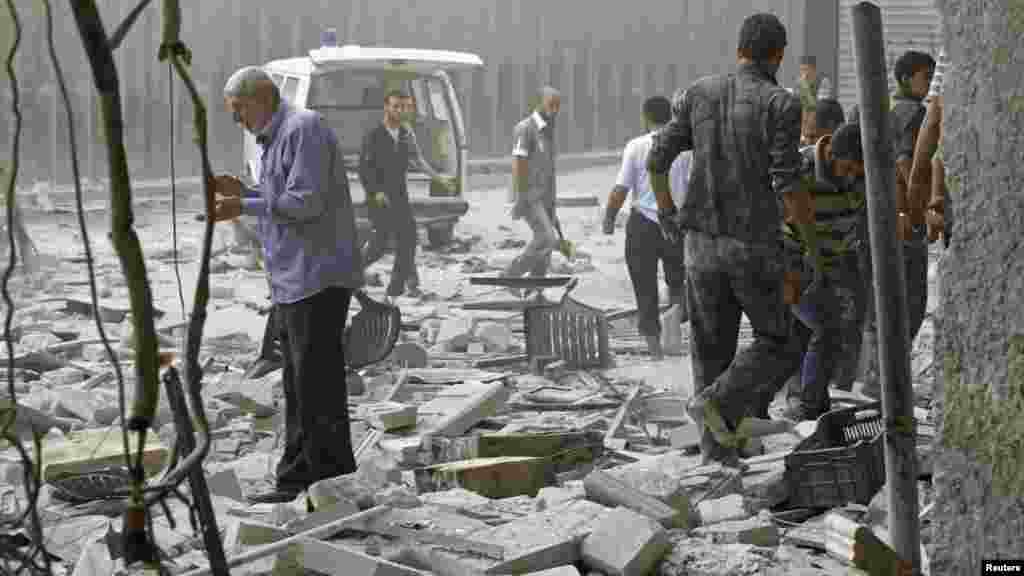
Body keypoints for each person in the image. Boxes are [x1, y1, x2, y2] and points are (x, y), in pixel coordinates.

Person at [648, 13, 811, 465]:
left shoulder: (697, 94)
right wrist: (806, 247)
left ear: (740, 48)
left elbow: (657, 160)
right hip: (752, 243)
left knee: (710, 346)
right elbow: (787, 182)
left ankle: (715, 454)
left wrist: (666, 212)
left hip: (698, 242)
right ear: (777, 54)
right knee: (780, 340)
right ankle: (717, 406)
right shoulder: (781, 103)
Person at [212, 66, 364, 503]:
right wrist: (243, 197)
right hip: (294, 278)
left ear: (261, 99)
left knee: (316, 386)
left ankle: (321, 482)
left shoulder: (304, 128)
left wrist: (246, 202)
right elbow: (282, 198)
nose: (237, 120)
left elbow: (306, 202)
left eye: (239, 109)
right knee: (300, 386)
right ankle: (303, 479)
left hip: (317, 276)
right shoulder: (274, 138)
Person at [860, 50, 935, 397]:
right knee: (912, 303)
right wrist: (915, 210)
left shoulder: (878, 111)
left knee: (883, 298)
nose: (930, 82)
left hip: (876, 218)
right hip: (905, 219)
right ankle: (893, 379)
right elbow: (908, 163)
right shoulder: (915, 114)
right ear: (905, 78)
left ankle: (877, 376)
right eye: (925, 76)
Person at [782, 123, 868, 420]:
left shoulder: (863, 169)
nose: (854, 175)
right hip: (796, 262)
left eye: (859, 170)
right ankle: (806, 404)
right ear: (832, 154)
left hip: (840, 259)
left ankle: (814, 399)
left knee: (840, 330)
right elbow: (772, 218)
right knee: (821, 327)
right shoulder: (799, 168)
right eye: (850, 167)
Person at [603, 95, 691, 360]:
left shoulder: (636, 146)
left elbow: (621, 188)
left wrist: (609, 217)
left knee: (645, 288)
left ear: (645, 118)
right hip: (676, 224)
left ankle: (655, 354)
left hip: (642, 224)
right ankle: (676, 334)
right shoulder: (687, 149)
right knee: (679, 283)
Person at [359, 90, 453, 300]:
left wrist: (438, 178)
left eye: (405, 107)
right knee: (379, 245)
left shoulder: (406, 132)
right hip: (379, 198)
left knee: (408, 241)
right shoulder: (373, 135)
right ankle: (348, 273)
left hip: (400, 196)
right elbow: (364, 170)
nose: (400, 111)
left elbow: (417, 160)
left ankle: (396, 290)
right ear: (386, 107)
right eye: (396, 106)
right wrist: (376, 192)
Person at [503, 87, 563, 292]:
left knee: (545, 247)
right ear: (539, 103)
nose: (555, 110)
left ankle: (535, 290)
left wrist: (553, 208)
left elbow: (548, 169)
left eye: (558, 105)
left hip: (545, 196)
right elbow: (519, 163)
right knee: (547, 238)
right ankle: (510, 276)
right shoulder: (526, 128)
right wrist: (520, 198)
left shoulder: (548, 130)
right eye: (551, 104)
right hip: (528, 194)